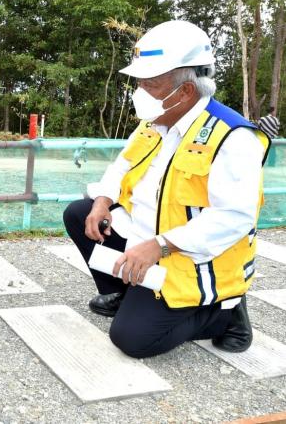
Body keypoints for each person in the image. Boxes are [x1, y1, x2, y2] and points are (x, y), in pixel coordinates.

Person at [62, 20, 269, 358]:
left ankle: (225, 313)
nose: (139, 92)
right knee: (80, 213)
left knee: (132, 339)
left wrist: (158, 246)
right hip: (148, 238)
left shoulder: (232, 137)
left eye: (150, 84)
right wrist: (102, 201)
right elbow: (122, 166)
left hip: (191, 255)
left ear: (185, 91)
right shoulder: (154, 124)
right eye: (139, 83)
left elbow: (234, 218)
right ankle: (128, 293)